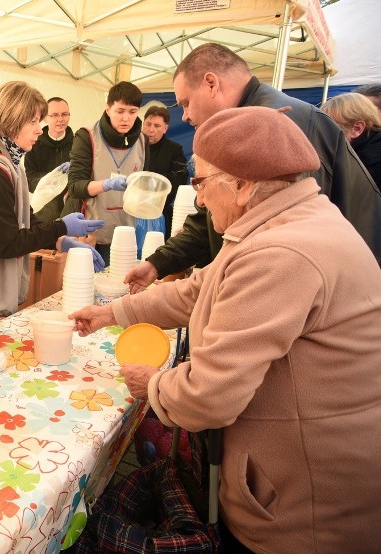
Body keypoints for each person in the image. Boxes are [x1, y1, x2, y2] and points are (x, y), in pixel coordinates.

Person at [71, 106, 381, 552]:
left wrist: (152, 384)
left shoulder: (281, 252)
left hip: (301, 513)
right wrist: (115, 313)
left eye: (201, 182)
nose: (197, 199)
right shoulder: (284, 224)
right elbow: (201, 290)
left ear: (243, 185)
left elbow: (207, 396)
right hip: (301, 482)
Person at [125, 43, 381, 293]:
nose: (185, 116)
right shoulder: (245, 124)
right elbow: (212, 218)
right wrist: (158, 263)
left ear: (211, 84)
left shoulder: (275, 125)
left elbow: (286, 247)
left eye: (185, 103)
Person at [0, 81, 104, 327]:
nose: (40, 130)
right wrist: (61, 228)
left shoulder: (10, 164)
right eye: (33, 121)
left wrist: (59, 240)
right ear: (9, 121)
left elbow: (26, 219)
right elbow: (8, 243)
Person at [61, 81, 150, 265]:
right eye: (120, 111)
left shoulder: (142, 141)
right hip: (89, 231)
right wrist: (107, 185)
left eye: (132, 112)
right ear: (108, 109)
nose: (126, 118)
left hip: (124, 231)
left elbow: (142, 183)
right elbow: (76, 186)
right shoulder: (87, 136)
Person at [140, 105, 189, 238]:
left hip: (161, 212)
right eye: (148, 124)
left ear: (165, 128)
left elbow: (179, 180)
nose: (151, 130)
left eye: (157, 126)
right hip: (133, 211)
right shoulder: (134, 148)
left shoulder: (174, 150)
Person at [24, 96, 74, 222]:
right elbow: (29, 178)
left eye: (64, 114)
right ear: (45, 117)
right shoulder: (34, 143)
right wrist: (50, 180)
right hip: (43, 207)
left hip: (70, 206)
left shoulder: (77, 143)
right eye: (55, 115)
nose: (60, 119)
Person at [321, 92, 381, 185]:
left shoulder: (368, 163)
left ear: (357, 128)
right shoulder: (361, 152)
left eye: (330, 128)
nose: (324, 135)